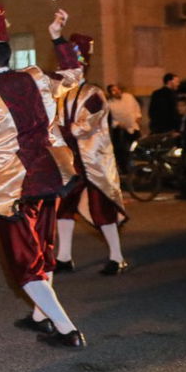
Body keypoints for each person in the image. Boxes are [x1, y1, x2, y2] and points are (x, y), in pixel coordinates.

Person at [0, 4, 88, 349]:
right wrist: (58, 37)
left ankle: (66, 329)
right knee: (43, 251)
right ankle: (41, 316)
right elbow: (74, 74)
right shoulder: (37, 78)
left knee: (25, 265)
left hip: (10, 189)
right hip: (49, 177)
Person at [53, 35, 129, 276]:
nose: (62, 71)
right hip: (70, 161)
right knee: (64, 208)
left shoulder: (94, 93)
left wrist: (58, 131)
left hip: (92, 161)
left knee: (101, 209)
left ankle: (117, 257)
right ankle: (64, 257)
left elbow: (84, 125)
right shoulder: (61, 94)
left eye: (67, 67)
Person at [106, 83, 141, 176]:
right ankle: (125, 169)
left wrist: (137, 117)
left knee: (136, 147)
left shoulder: (128, 97)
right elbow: (110, 118)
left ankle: (138, 169)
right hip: (121, 130)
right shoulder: (109, 104)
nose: (116, 92)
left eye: (117, 89)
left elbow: (136, 108)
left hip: (133, 127)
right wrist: (117, 124)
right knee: (122, 150)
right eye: (113, 91)